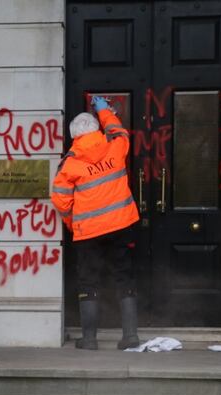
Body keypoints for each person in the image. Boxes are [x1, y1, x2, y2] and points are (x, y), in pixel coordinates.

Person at [51, 96, 140, 350]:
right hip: (122, 226)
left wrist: (72, 223)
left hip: (88, 232)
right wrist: (103, 110)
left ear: (73, 137)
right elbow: (119, 130)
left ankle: (89, 339)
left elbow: (60, 200)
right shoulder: (115, 147)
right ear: (98, 129)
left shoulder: (70, 163)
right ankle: (130, 336)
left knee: (88, 281)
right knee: (124, 276)